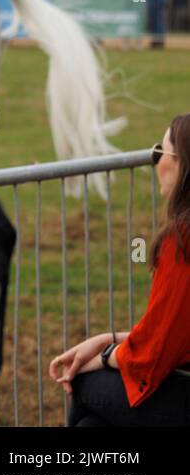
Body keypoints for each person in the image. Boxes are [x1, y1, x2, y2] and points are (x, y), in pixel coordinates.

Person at [49, 113, 190, 425]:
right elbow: (175, 336)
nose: (155, 163)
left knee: (86, 383)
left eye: (159, 153)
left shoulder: (182, 241)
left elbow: (157, 349)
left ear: (182, 165)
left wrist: (103, 357)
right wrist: (109, 340)